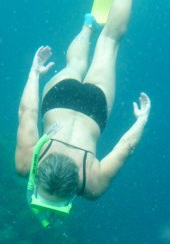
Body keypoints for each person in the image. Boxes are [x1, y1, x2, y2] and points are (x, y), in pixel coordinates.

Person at [15, 0, 151, 206]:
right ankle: (88, 26)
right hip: (58, 100)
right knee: (75, 63)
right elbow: (28, 112)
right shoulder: (26, 163)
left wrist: (141, 120)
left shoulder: (92, 186)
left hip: (94, 109)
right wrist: (34, 74)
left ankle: (102, 17)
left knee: (110, 42)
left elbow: (127, 146)